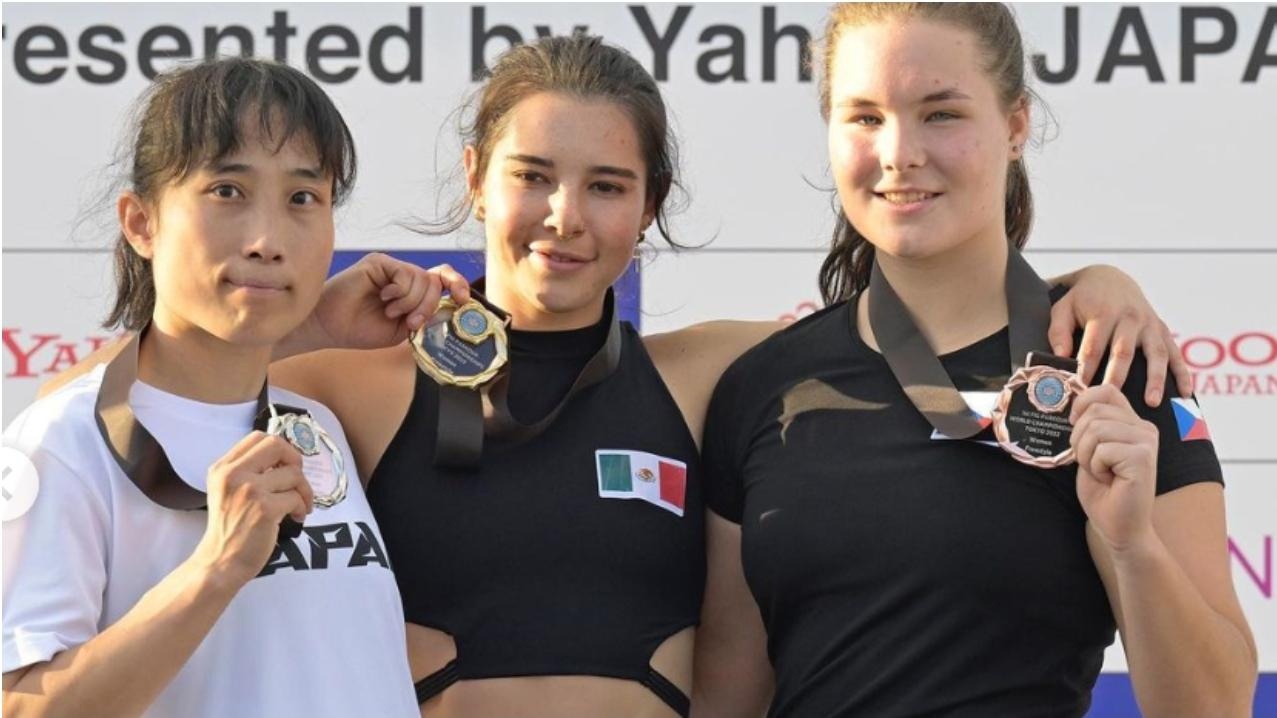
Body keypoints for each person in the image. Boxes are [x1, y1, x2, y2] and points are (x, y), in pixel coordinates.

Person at [266, 34, 1197, 718]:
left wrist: (1091, 289)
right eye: (532, 176)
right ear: (475, 177)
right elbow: (134, 416)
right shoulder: (353, 386)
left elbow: (926, 322)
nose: (563, 216)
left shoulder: (717, 372)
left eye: (606, 185)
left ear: (648, 205)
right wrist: (301, 323)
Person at [693, 4, 1258, 717]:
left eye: (940, 114)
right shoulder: (760, 385)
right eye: (864, 117)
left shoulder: (1113, 366)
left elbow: (1213, 707)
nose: (899, 152)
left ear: (1015, 125)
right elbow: (728, 696)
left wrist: (1130, 545)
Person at [1, 58, 422, 718]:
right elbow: (25, 709)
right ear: (142, 224)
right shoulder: (61, 444)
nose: (267, 240)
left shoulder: (316, 424)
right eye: (228, 191)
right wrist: (217, 566)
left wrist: (309, 326)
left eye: (302, 199)